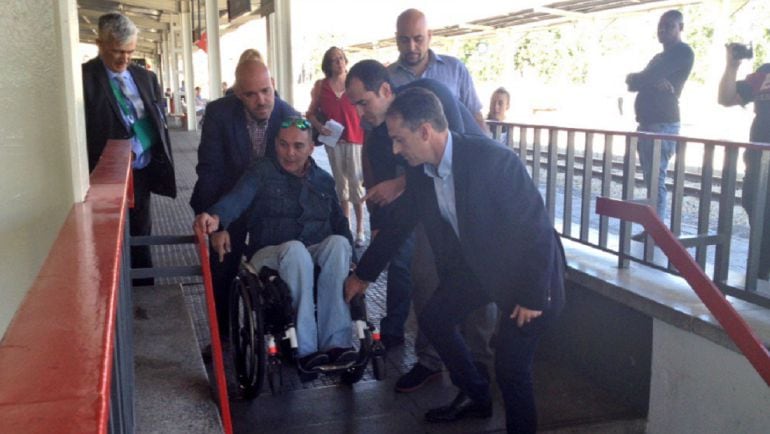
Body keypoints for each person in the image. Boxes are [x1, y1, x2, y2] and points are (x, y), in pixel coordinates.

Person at [344, 87, 565, 433]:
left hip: (529, 275)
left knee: (511, 368)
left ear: (425, 132)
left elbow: (535, 227)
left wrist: (532, 295)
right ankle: (477, 396)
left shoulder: (492, 160)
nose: (395, 149)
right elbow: (400, 223)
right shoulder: (421, 172)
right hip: (481, 266)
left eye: (400, 140)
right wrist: (364, 274)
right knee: (435, 318)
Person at [346, 60, 493, 394]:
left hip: (471, 209)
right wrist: (369, 264)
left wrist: (402, 182)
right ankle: (430, 360)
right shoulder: (377, 136)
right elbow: (391, 204)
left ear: (385, 90)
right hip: (426, 208)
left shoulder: (431, 97)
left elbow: (456, 155)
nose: (358, 113)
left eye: (362, 102)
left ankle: (478, 364)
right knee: (426, 280)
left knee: (480, 282)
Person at [195, 117, 356, 377]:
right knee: (295, 250)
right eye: (283, 144)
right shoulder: (261, 172)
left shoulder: (323, 179)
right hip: (268, 256)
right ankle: (304, 349)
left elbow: (339, 222)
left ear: (311, 148)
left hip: (311, 250)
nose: (289, 153)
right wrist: (216, 217)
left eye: (297, 146)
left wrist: (355, 260)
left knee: (338, 244)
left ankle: (336, 343)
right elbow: (237, 198)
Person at [190, 59, 298, 333]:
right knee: (222, 266)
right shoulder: (219, 114)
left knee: (279, 269)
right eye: (251, 94)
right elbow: (209, 171)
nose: (261, 100)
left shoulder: (290, 116)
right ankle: (223, 337)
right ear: (238, 94)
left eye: (265, 91)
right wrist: (217, 225)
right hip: (227, 201)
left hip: (271, 206)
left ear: (273, 85)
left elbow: (297, 175)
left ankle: (282, 332)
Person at [82, 12, 176, 286]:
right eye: (117, 52)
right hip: (105, 178)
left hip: (141, 172)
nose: (124, 59)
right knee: (107, 241)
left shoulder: (146, 78)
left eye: (130, 51)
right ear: (100, 44)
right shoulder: (84, 80)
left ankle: (145, 293)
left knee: (141, 235)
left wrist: (136, 147)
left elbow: (157, 120)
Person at [625, 9, 693, 238]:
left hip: (662, 124)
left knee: (657, 178)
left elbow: (643, 78)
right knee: (650, 177)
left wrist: (645, 79)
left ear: (680, 28)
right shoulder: (659, 57)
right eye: (661, 26)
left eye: (669, 26)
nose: (663, 30)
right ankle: (653, 225)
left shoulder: (683, 52)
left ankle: (656, 229)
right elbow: (633, 81)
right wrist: (645, 80)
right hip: (647, 123)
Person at [388, 8, 487, 132]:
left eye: (418, 39)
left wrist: (488, 147)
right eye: (404, 40)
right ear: (396, 39)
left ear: (429, 36)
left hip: (455, 150)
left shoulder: (455, 69)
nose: (411, 47)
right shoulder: (387, 78)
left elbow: (475, 116)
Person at [718, 44, 770, 279]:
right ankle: (760, 278)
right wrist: (732, 66)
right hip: (759, 164)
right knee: (758, 218)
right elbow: (726, 98)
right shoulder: (765, 72)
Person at [307, 47, 367, 247]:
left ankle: (360, 229)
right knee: (341, 186)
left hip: (356, 139)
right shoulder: (321, 86)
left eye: (341, 58)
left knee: (357, 185)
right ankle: (346, 227)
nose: (339, 63)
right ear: (328, 64)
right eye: (334, 60)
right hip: (334, 142)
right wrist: (319, 127)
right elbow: (311, 113)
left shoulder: (354, 82)